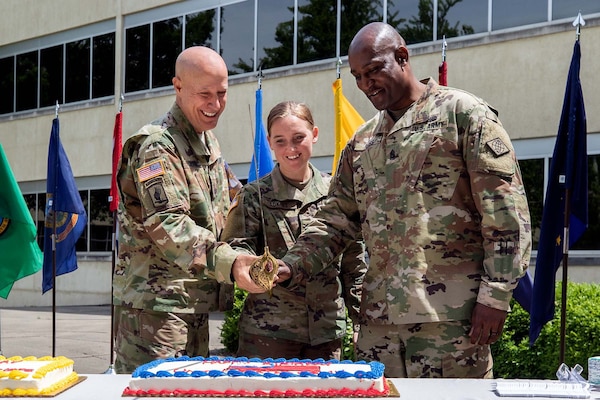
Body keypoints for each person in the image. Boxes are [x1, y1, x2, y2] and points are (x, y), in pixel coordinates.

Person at [270, 22, 531, 378]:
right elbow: (334, 220)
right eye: (358, 76)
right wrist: (290, 265)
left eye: (374, 70)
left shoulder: (464, 116)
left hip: (451, 324)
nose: (365, 85)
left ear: (402, 57)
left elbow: (506, 217)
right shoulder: (362, 142)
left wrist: (496, 295)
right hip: (379, 329)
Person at [113, 46, 264, 374]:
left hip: (190, 304)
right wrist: (232, 261)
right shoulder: (157, 146)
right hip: (155, 313)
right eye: (204, 94)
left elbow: (234, 202)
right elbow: (169, 225)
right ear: (177, 87)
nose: (215, 105)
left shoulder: (206, 142)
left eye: (222, 93)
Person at [221, 101, 366, 360]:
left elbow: (353, 265)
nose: (290, 149)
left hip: (325, 334)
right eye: (280, 141)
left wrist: (360, 323)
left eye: (299, 138)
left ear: (315, 134)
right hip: (267, 334)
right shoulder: (253, 196)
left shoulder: (337, 194)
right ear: (269, 142)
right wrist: (253, 266)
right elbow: (235, 249)